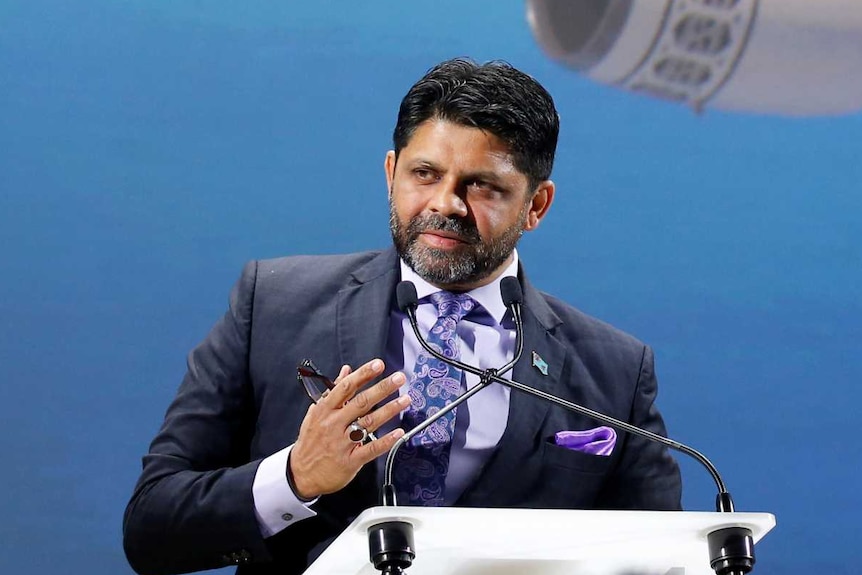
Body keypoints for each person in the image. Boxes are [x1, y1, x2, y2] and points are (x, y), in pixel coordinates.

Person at [123, 58, 682, 575]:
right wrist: (295, 477)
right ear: (391, 172)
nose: (445, 203)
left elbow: (660, 557)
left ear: (536, 205)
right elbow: (152, 529)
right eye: (424, 174)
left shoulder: (615, 371)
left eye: (482, 186)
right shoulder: (271, 304)